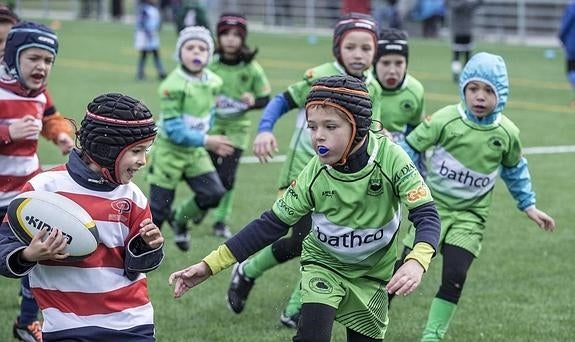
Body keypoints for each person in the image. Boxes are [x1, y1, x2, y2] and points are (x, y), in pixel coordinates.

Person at [169, 74, 441, 342]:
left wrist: (417, 261)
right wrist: (209, 266)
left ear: (358, 126)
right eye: (312, 127)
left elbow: (426, 214)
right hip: (324, 266)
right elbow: (271, 224)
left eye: (330, 127)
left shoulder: (391, 158)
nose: (318, 137)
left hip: (371, 276)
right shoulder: (313, 172)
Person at [226, 12, 379, 328]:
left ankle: (266, 283)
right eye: (351, 47)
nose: (359, 55)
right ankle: (282, 296)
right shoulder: (320, 76)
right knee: (311, 238)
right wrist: (266, 129)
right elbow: (281, 100)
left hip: (342, 178)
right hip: (303, 173)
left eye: (366, 48)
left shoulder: (372, 85)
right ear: (337, 48)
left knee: (313, 240)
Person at [396, 52, 556, 341]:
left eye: (488, 91)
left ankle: (432, 336)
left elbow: (515, 169)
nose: (479, 97)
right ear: (464, 90)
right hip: (433, 212)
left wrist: (529, 205)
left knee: (455, 278)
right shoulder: (445, 119)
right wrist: (405, 181)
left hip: (471, 219)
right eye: (473, 89)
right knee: (403, 271)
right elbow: (409, 147)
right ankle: (369, 320)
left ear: (501, 95)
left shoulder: (506, 133)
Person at [0, 92, 165, 341]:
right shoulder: (42, 190)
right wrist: (27, 255)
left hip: (132, 323)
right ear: (106, 150)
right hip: (67, 326)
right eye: (137, 151)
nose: (143, 161)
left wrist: (145, 245)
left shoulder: (134, 198)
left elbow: (135, 268)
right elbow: (3, 247)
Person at [0, 21, 75, 342]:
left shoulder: (40, 93)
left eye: (48, 61)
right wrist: (7, 133)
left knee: (38, 256)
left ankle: (27, 322)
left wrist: (60, 135)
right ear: (13, 56)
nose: (41, 67)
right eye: (33, 58)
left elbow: (50, 118)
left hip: (24, 194)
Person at [147, 26, 234, 251]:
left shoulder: (214, 81)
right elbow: (175, 130)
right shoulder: (171, 86)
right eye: (190, 47)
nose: (196, 52)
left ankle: (180, 221)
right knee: (157, 211)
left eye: (202, 48)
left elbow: (209, 112)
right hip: (169, 152)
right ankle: (142, 255)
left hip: (194, 152)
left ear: (209, 54)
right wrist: (207, 140)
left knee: (214, 193)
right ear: (180, 53)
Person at [207, 13, 271, 237]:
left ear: (243, 38)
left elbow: (266, 98)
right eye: (226, 34)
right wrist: (207, 97)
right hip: (210, 128)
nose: (231, 39)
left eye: (236, 35)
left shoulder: (251, 67)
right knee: (209, 177)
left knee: (227, 177)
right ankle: (198, 208)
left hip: (237, 130)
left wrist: (252, 101)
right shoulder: (209, 64)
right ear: (218, 37)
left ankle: (221, 220)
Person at [370, 27, 427, 175]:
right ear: (374, 62)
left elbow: (416, 130)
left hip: (398, 159)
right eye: (385, 63)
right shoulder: (363, 87)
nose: (392, 70)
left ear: (406, 64)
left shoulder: (415, 90)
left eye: (399, 63)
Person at [446, 0, 483, 82]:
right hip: (467, 32)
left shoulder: (454, 4)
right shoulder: (469, 4)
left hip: (457, 33)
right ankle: (466, 75)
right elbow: (479, 3)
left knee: (456, 56)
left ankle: (456, 75)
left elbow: (446, 3)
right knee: (467, 56)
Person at [134, 0, 167, 81]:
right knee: (144, 55)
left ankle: (161, 72)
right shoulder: (145, 10)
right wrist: (148, 33)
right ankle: (141, 73)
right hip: (147, 36)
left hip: (152, 35)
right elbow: (142, 22)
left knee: (155, 54)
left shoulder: (153, 9)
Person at [559, 0, 575, 107]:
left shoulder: (572, 7)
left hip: (573, 45)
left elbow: (566, 25)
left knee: (571, 71)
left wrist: (561, 38)